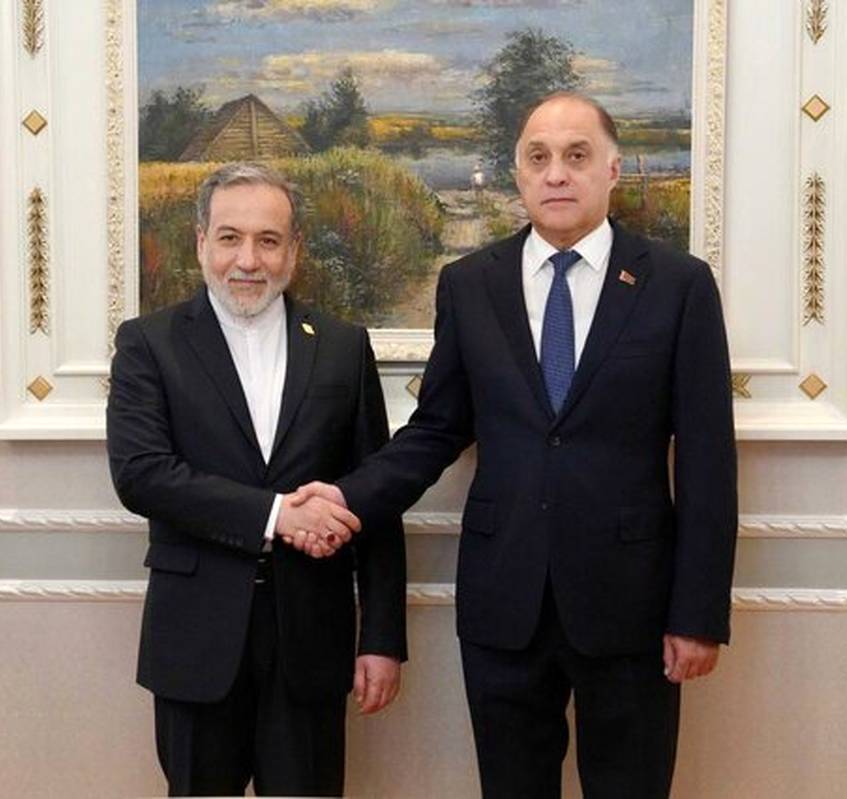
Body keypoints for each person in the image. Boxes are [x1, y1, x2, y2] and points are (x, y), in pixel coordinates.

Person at [290, 92, 738, 798]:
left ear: (613, 169)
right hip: (504, 600)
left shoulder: (677, 285)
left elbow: (710, 461)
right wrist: (346, 495)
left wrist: (698, 614)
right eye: (539, 157)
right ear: (518, 174)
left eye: (577, 155)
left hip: (631, 603)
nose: (557, 173)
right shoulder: (470, 284)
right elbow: (436, 429)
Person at [106, 162, 406, 797]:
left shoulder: (343, 347)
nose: (248, 260)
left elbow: (375, 498)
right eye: (229, 238)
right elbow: (142, 475)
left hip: (312, 640)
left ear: (293, 250)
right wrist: (277, 515)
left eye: (268, 240)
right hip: (196, 638)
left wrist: (381, 639)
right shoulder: (148, 344)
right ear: (201, 243)